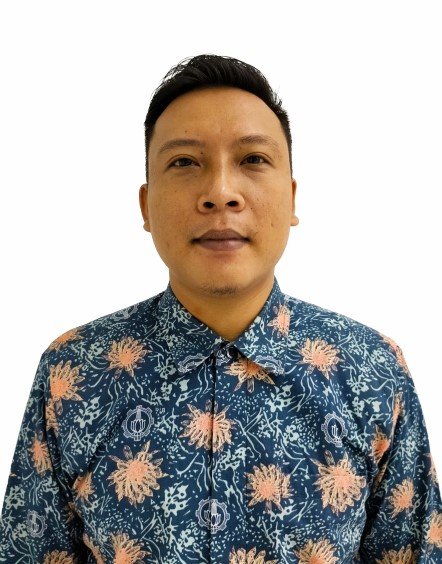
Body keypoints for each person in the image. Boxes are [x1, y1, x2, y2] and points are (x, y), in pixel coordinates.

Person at [0, 53, 441, 563]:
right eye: (185, 162)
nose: (220, 193)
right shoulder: (75, 372)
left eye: (253, 159)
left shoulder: (372, 369)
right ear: (145, 205)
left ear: (291, 198)